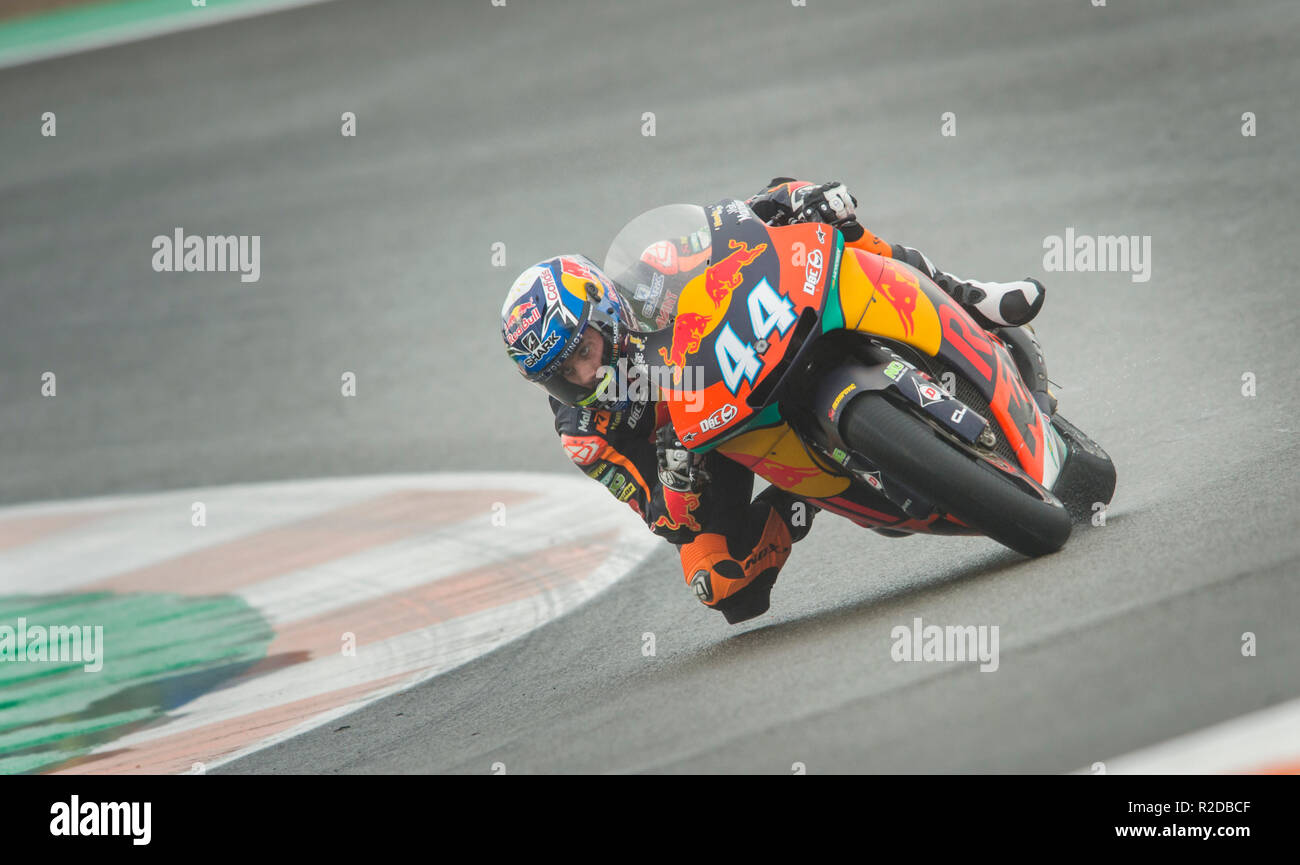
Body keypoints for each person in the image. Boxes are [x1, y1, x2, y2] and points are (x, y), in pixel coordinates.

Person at [500, 179, 1051, 624]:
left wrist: (798, 199)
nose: (584, 375)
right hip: (705, 447)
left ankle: (967, 296)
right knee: (722, 585)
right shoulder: (585, 433)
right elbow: (664, 520)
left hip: (754, 343)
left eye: (584, 353)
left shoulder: (653, 272)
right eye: (562, 376)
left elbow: (743, 220)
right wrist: (675, 477)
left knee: (828, 221)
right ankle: (805, 498)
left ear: (604, 313)